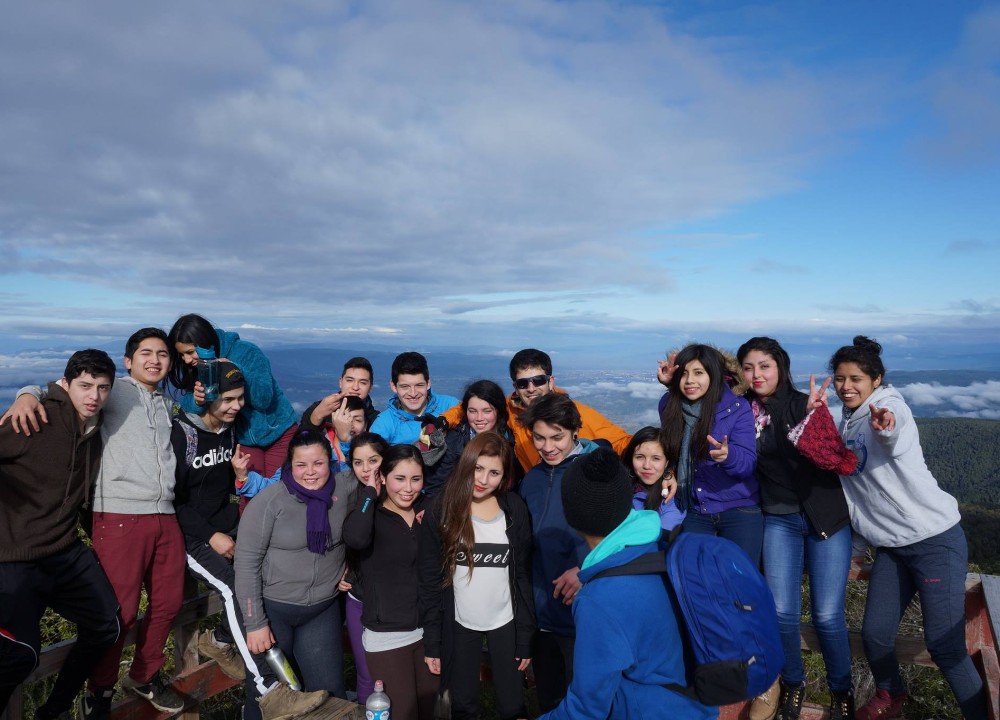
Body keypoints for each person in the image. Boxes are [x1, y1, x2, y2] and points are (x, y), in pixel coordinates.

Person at [3, 328, 188, 715]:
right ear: (129, 360)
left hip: (114, 530)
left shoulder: (159, 405)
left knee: (141, 613)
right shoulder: (99, 396)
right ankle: (97, 694)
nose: (95, 396)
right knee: (35, 647)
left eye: (162, 354)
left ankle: (123, 684)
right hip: (63, 536)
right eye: (145, 353)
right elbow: (63, 383)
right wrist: (26, 392)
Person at [829, 337, 987, 720]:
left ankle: (981, 713)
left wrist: (888, 427)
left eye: (856, 379)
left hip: (934, 541)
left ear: (876, 380)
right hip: (892, 548)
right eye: (839, 378)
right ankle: (891, 692)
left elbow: (894, 431)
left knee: (945, 645)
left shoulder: (888, 407)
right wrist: (855, 546)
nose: (846, 386)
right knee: (874, 634)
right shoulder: (843, 423)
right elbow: (858, 495)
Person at [537, 447, 715, 720]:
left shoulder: (600, 599)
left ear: (572, 515)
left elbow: (585, 709)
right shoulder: (664, 549)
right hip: (697, 706)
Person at [738, 337, 859, 720]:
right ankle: (793, 682)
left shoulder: (797, 403)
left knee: (827, 616)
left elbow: (828, 453)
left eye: (765, 366)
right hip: (779, 519)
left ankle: (841, 690)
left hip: (825, 519)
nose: (757, 374)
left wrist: (812, 417)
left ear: (781, 367)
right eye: (748, 367)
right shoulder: (742, 412)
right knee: (782, 612)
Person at [0, 350, 119, 720]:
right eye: (84, 386)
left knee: (107, 626)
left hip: (65, 550)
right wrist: (27, 394)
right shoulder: (33, 419)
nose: (94, 396)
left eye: (102, 388)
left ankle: (54, 709)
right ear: (64, 385)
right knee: (21, 653)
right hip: (14, 554)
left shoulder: (97, 431)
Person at [234, 429, 357, 710]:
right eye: (301, 465)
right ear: (290, 465)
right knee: (268, 698)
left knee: (330, 695)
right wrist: (255, 623)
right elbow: (246, 563)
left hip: (322, 610)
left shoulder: (344, 489)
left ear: (331, 463)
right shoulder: (270, 501)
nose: (310, 472)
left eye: (318, 463)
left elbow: (382, 473)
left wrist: (353, 564)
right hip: (275, 610)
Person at [419, 432, 535, 720]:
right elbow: (430, 581)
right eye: (477, 468)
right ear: (466, 465)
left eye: (494, 472)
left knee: (511, 705)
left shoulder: (513, 511)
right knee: (464, 704)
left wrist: (525, 637)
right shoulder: (442, 509)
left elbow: (522, 576)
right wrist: (433, 641)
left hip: (505, 620)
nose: (483, 479)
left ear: (504, 476)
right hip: (460, 621)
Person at [516, 393, 601, 713]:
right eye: (539, 437)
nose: (548, 446)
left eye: (557, 437)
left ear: (576, 431)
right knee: (550, 702)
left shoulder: (595, 474)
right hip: (542, 614)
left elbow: (620, 538)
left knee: (587, 703)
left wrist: (585, 570)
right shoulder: (533, 479)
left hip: (584, 614)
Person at [343, 444, 437, 720]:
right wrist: (370, 493)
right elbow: (356, 538)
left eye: (416, 479)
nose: (408, 488)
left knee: (430, 713)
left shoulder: (427, 512)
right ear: (383, 477)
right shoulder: (369, 514)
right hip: (387, 637)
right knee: (402, 715)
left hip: (427, 635)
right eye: (399, 478)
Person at [443, 349, 631, 473]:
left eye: (538, 380)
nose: (531, 388)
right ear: (515, 387)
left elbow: (624, 444)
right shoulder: (510, 408)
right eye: (523, 383)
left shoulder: (578, 414)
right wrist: (442, 422)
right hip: (536, 490)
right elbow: (474, 405)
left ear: (551, 381)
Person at [168, 313, 299, 487]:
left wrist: (235, 368)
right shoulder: (199, 365)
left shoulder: (246, 352)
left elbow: (264, 399)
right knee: (247, 493)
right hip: (243, 438)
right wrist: (197, 401)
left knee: (280, 490)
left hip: (279, 431)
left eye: (190, 352)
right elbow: (187, 401)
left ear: (204, 341)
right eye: (182, 355)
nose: (187, 360)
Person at [658, 343, 761, 564]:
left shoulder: (736, 407)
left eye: (698, 373)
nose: (689, 381)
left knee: (740, 578)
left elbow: (748, 464)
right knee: (695, 575)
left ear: (713, 375)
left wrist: (728, 457)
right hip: (695, 507)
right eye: (684, 373)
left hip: (738, 507)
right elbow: (668, 449)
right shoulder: (670, 405)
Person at [336, 432, 391, 705]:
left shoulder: (402, 491)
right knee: (367, 675)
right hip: (359, 598)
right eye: (358, 463)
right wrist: (370, 492)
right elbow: (354, 538)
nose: (366, 469)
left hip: (396, 603)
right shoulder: (354, 493)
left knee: (396, 676)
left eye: (373, 460)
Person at [424, 379, 520, 496]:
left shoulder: (511, 439)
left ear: (498, 411)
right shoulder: (455, 440)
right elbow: (437, 484)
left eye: (487, 411)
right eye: (472, 411)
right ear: (465, 411)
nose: (479, 418)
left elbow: (514, 482)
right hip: (459, 504)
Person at [369, 352, 459, 446]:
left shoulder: (449, 405)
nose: (413, 393)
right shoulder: (383, 425)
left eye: (419, 385)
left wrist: (445, 421)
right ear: (394, 386)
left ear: (428, 383)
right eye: (405, 386)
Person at [621, 426, 684, 531]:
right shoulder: (616, 486)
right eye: (639, 457)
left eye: (656, 459)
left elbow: (662, 538)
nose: (646, 466)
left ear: (667, 462)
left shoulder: (672, 499)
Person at [300, 356, 380, 430]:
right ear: (340, 382)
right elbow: (300, 441)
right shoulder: (320, 409)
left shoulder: (377, 420)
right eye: (349, 380)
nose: (355, 387)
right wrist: (317, 416)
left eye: (363, 382)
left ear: (370, 387)